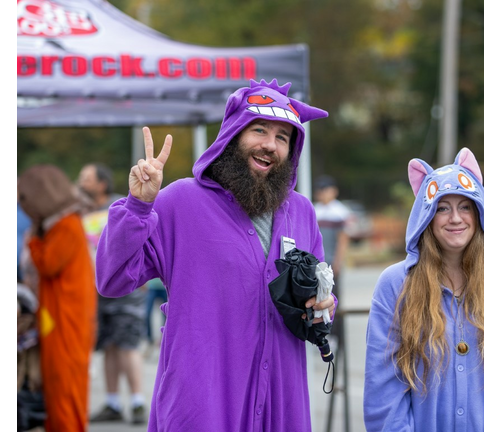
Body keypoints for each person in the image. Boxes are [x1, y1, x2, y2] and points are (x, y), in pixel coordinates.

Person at [95, 78, 336, 431]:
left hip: (281, 404)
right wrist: (137, 206)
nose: (270, 145)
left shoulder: (301, 212)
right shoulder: (180, 202)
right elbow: (113, 279)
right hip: (203, 405)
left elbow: (317, 299)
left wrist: (321, 307)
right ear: (233, 134)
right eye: (259, 130)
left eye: (283, 138)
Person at [363, 148, 484, 432]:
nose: (455, 218)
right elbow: (383, 388)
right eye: (442, 207)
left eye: (465, 206)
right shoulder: (395, 285)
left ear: (480, 212)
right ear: (426, 215)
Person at [17, 164, 97, 432]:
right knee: (56, 381)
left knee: (65, 382)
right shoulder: (64, 223)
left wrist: (33, 242)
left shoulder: (66, 225)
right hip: (59, 316)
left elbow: (48, 264)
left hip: (66, 318)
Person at [79, 163, 149, 425]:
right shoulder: (81, 212)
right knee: (108, 345)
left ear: (102, 184)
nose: (81, 183)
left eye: (86, 179)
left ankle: (137, 402)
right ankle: (112, 403)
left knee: (127, 346)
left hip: (127, 293)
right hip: (97, 293)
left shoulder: (120, 206)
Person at [313, 175, 351, 341]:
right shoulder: (315, 209)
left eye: (326, 190)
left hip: (331, 263)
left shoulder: (339, 211)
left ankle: (335, 334)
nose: (323, 194)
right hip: (318, 263)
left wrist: (338, 261)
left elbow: (343, 239)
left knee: (334, 297)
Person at [143, 277, 168, 357]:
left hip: (165, 285)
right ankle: (150, 341)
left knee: (166, 315)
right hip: (152, 286)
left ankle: (163, 342)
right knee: (146, 313)